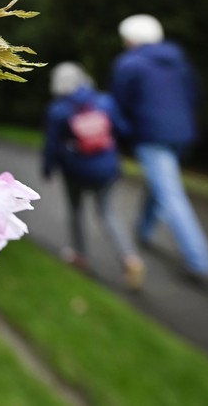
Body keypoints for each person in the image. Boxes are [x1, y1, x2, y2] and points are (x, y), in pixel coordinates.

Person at [111, 14, 208, 285]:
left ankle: (200, 262)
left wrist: (126, 134)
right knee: (161, 185)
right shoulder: (179, 60)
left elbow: (119, 106)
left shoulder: (129, 63)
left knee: (170, 194)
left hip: (152, 135)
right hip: (182, 135)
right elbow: (195, 95)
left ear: (131, 38)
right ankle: (144, 232)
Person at [43, 62, 145, 290]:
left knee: (76, 211)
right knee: (107, 213)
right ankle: (130, 259)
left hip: (76, 171)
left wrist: (48, 169)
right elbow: (122, 130)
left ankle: (80, 255)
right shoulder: (105, 101)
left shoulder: (58, 110)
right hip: (108, 168)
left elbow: (51, 146)